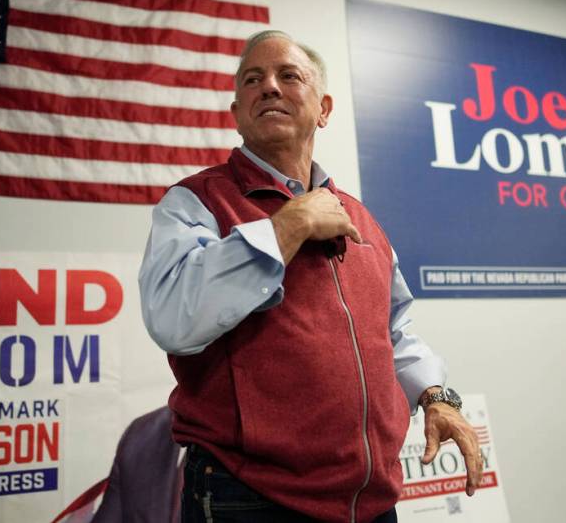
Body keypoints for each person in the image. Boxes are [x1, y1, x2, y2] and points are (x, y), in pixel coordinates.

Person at [139, 30, 482, 522]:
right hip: (251, 499)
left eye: (288, 76)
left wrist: (435, 396)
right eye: (253, 79)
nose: (270, 87)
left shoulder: (363, 222)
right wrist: (287, 227)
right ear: (237, 114)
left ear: (323, 109)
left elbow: (394, 334)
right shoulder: (196, 202)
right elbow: (171, 316)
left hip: (371, 500)